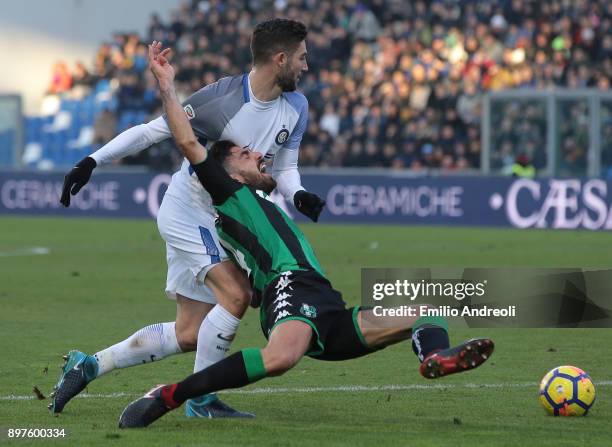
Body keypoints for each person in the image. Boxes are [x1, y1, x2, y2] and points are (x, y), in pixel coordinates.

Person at [118, 41, 494, 428]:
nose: (259, 155)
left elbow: (282, 182)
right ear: (226, 171)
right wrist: (167, 87)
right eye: (247, 155)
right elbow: (185, 140)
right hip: (289, 287)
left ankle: (434, 358)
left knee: (426, 312)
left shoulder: (262, 197)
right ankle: (170, 395)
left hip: (322, 296)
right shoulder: (228, 193)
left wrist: (297, 193)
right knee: (280, 358)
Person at [52, 19, 325, 419]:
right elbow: (152, 132)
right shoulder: (222, 100)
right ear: (280, 58)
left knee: (190, 334)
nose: (307, 65)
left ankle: (89, 364)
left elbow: (285, 166)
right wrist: (92, 161)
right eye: (301, 57)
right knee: (236, 296)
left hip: (227, 217)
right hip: (190, 211)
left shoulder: (296, 106)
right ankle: (200, 400)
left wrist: (297, 193)